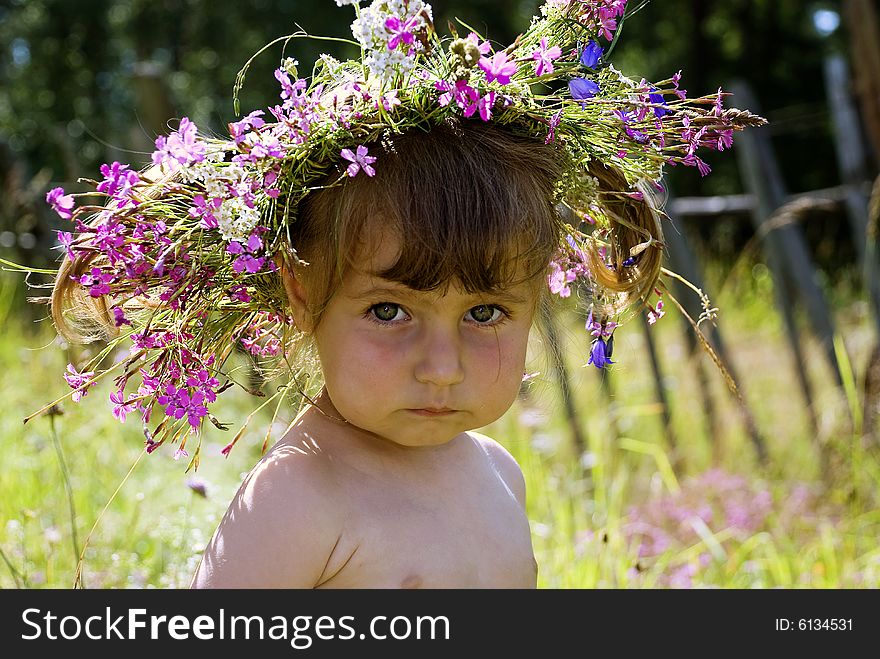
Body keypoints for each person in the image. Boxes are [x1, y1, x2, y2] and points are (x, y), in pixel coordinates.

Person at [41, 0, 761, 588]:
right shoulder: (298, 500)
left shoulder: (499, 474)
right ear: (301, 287)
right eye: (389, 311)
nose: (440, 365)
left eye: (484, 312)